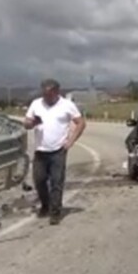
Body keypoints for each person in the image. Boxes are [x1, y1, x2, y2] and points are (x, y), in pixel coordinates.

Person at [24, 79, 86, 225]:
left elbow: (81, 123)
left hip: (58, 150)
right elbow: (26, 123)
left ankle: (55, 212)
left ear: (57, 92)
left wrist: (70, 141)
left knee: (56, 182)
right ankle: (45, 205)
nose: (46, 97)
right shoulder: (36, 103)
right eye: (44, 94)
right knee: (39, 181)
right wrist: (31, 123)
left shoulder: (67, 105)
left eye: (50, 94)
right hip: (40, 150)